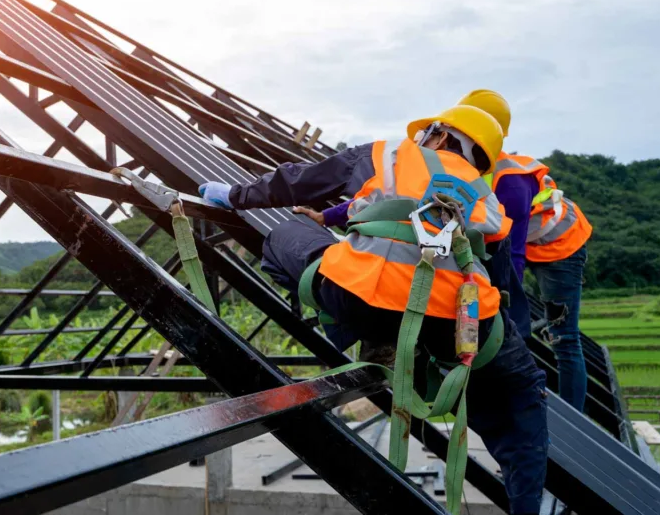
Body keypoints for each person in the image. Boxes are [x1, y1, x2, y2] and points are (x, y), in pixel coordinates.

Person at [200, 105, 548, 515]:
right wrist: (505, 344)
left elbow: (301, 181)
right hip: (455, 320)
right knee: (522, 393)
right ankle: (527, 508)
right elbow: (501, 278)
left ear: (437, 134)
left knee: (287, 235)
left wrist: (235, 195)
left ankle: (373, 338)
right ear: (480, 160)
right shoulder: (486, 197)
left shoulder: (387, 154)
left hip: (360, 297)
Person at [458, 89, 593, 413]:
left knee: (563, 337)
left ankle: (573, 417)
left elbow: (512, 253)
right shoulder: (473, 169)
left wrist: (503, 304)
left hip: (559, 247)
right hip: (530, 243)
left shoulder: (512, 179)